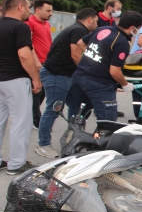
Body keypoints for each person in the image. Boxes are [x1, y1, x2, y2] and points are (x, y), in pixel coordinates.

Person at [0, 0, 42, 175]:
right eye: (28, 7)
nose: (30, 10)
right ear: (20, 7)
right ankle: (16, 164)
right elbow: (24, 55)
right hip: (15, 80)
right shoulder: (20, 27)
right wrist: (35, 79)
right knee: (21, 122)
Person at [35, 8, 98, 158]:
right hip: (56, 74)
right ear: (89, 19)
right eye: (96, 21)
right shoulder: (79, 30)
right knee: (54, 108)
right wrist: (88, 73)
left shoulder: (77, 29)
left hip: (67, 75)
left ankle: (71, 139)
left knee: (77, 108)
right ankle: (43, 144)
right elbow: (76, 54)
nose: (97, 24)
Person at [70, 11, 142, 121]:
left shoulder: (103, 29)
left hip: (78, 78)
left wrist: (97, 57)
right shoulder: (121, 41)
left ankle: (73, 136)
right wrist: (125, 84)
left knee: (80, 115)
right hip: (99, 84)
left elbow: (81, 42)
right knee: (108, 122)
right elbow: (114, 71)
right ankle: (102, 138)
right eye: (139, 28)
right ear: (133, 27)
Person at [26, 0, 53, 129]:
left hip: (46, 61)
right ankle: (36, 119)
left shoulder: (46, 24)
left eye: (51, 10)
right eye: (48, 10)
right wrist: (36, 61)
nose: (51, 13)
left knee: (43, 91)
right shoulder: (30, 23)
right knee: (36, 91)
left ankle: (33, 116)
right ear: (37, 10)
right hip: (37, 62)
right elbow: (29, 44)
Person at [98, 0, 124, 117]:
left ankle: (110, 106)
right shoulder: (97, 20)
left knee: (111, 83)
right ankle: (99, 106)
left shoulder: (112, 21)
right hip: (99, 56)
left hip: (109, 56)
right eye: (118, 9)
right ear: (110, 8)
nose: (119, 11)